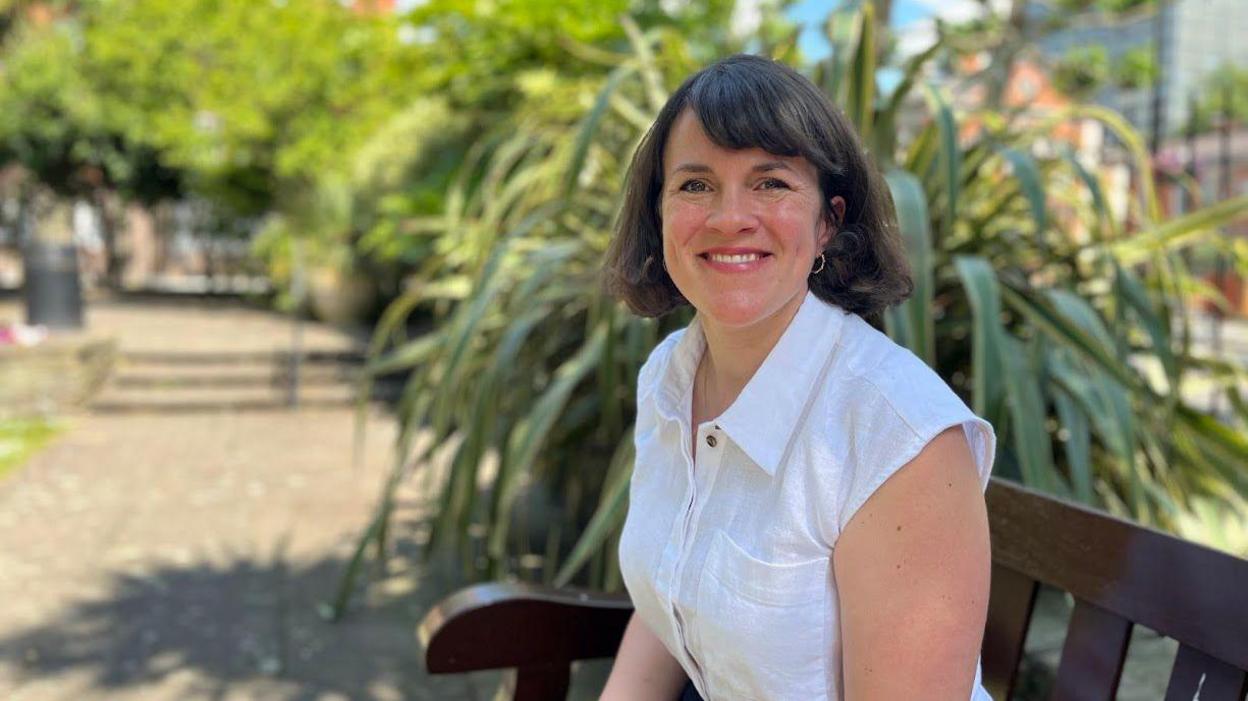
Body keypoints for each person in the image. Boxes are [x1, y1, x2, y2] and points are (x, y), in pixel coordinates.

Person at [598, 54, 997, 701]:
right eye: (695, 185)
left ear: (827, 223)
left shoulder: (897, 439)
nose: (730, 217)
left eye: (771, 183)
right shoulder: (668, 377)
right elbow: (667, 597)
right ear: (660, 213)